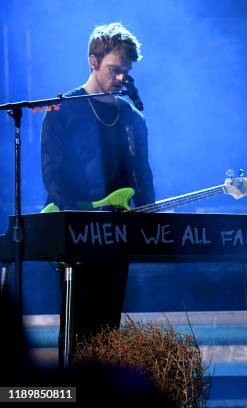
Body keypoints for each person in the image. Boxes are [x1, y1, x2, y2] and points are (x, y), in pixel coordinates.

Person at [41, 22, 155, 365]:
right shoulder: (63, 109)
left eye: (125, 72)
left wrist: (151, 217)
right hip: (78, 234)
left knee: (108, 327)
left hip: (118, 236)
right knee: (77, 328)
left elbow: (143, 176)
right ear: (93, 61)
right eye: (113, 70)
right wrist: (80, 215)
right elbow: (53, 174)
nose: (120, 78)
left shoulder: (132, 117)